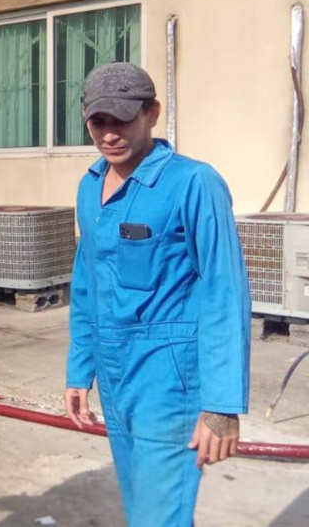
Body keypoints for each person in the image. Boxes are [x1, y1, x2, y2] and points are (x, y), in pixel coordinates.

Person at [64, 62, 251, 526]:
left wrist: (222, 405)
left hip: (167, 378)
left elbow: (225, 291)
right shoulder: (91, 188)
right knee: (141, 505)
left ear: (152, 113)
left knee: (158, 515)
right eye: (99, 122)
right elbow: (86, 284)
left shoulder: (193, 183)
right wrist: (79, 368)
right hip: (113, 373)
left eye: (123, 120)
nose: (110, 135)